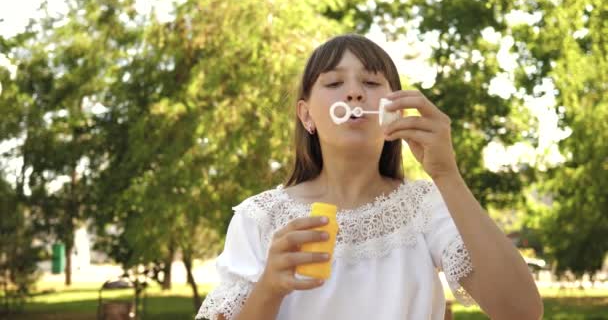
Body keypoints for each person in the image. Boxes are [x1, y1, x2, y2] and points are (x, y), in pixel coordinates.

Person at [196, 34, 543, 320]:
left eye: (371, 82)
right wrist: (270, 286)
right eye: (334, 82)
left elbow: (522, 312)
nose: (354, 93)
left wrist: (446, 174)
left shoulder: (424, 207)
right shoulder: (261, 218)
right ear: (307, 116)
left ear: (395, 109)